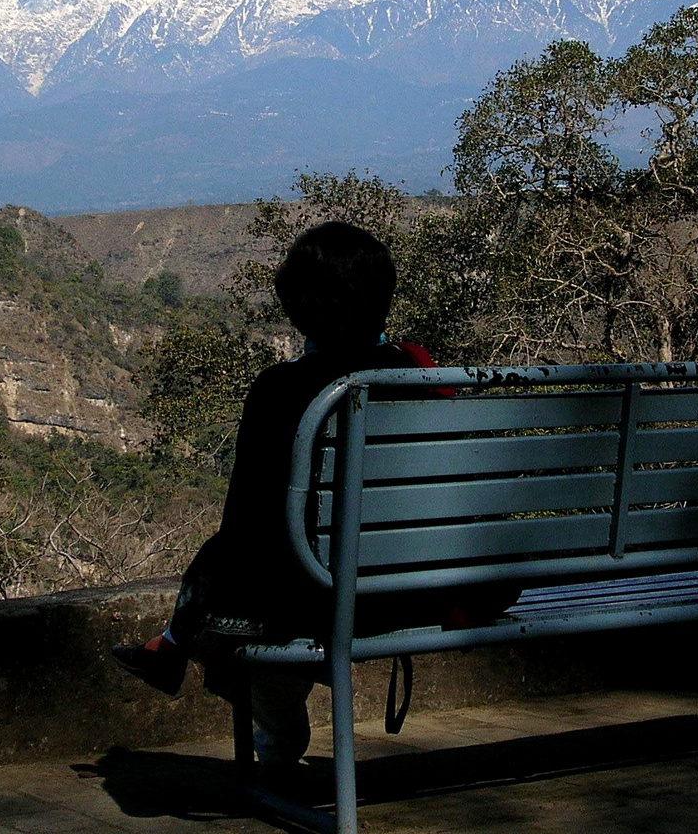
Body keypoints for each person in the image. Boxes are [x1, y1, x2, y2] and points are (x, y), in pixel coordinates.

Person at [112, 221, 507, 771]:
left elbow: (247, 522)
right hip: (418, 589)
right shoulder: (420, 373)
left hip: (320, 598)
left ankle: (198, 664)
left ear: (296, 308)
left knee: (226, 568)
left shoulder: (281, 390)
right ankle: (182, 655)